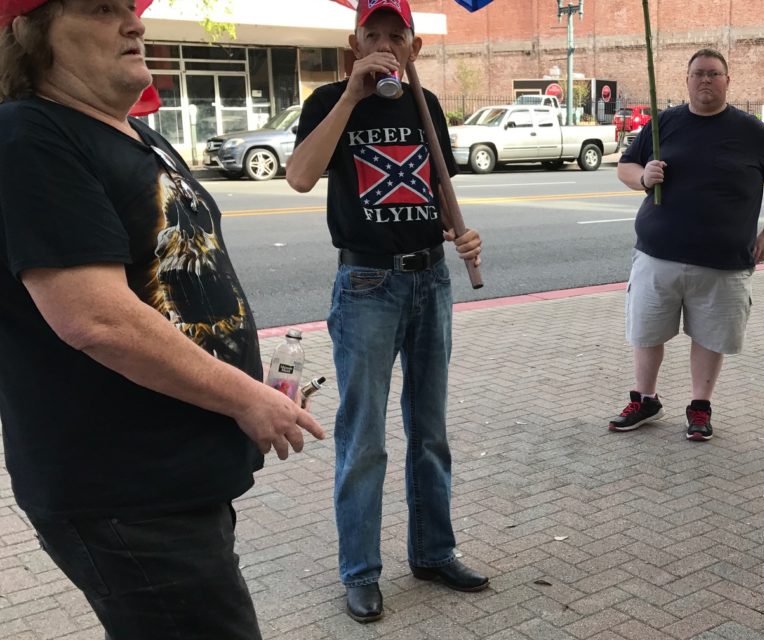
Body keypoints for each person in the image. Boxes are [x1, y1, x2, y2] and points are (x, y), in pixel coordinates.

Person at [0, 1, 324, 638]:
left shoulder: (136, 133)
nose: (134, 24)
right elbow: (95, 318)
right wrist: (245, 396)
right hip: (123, 491)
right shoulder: (30, 135)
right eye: (102, 8)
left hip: (176, 479)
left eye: (132, 7)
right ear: (28, 31)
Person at [285, 0, 486, 624]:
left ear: (413, 46)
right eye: (371, 34)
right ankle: (361, 573)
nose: (382, 44)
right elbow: (298, 176)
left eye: (394, 35)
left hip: (431, 279)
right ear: (354, 42)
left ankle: (433, 551)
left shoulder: (426, 107)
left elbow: (437, 190)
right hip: (366, 282)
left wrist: (463, 236)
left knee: (430, 431)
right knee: (364, 437)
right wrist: (350, 96)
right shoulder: (327, 102)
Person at [609, 48, 764, 442]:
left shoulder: (749, 130)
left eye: (714, 74)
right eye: (698, 74)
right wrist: (644, 176)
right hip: (657, 254)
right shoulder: (664, 124)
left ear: (728, 81)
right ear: (687, 80)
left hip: (723, 260)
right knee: (646, 331)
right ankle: (645, 398)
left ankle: (699, 407)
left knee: (710, 337)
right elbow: (625, 167)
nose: (706, 80)